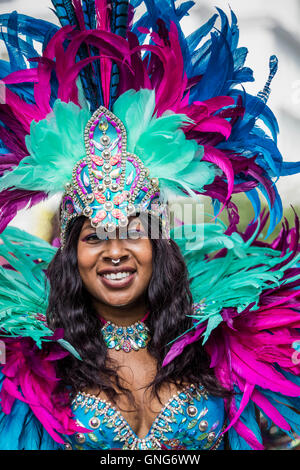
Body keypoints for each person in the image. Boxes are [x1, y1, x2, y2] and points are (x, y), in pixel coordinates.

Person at [0, 0, 299, 451]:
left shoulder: (225, 335)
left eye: (133, 231)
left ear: (161, 244)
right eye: (94, 236)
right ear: (70, 254)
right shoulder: (30, 357)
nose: (114, 251)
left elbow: (277, 436)